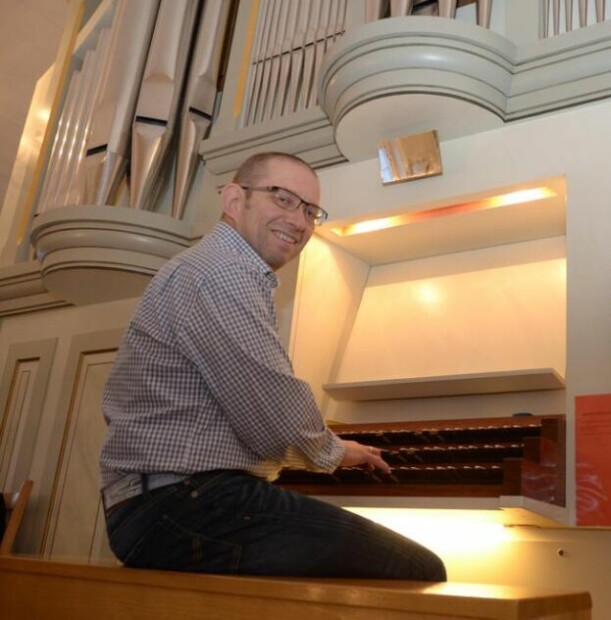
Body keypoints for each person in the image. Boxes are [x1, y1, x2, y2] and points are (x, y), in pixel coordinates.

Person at [99, 151, 446, 581]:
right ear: (233, 200)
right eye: (282, 199)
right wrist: (337, 452)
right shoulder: (223, 273)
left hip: (169, 500)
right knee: (417, 568)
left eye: (310, 211)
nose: (300, 222)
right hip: (179, 504)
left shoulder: (220, 270)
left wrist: (326, 450)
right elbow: (275, 420)